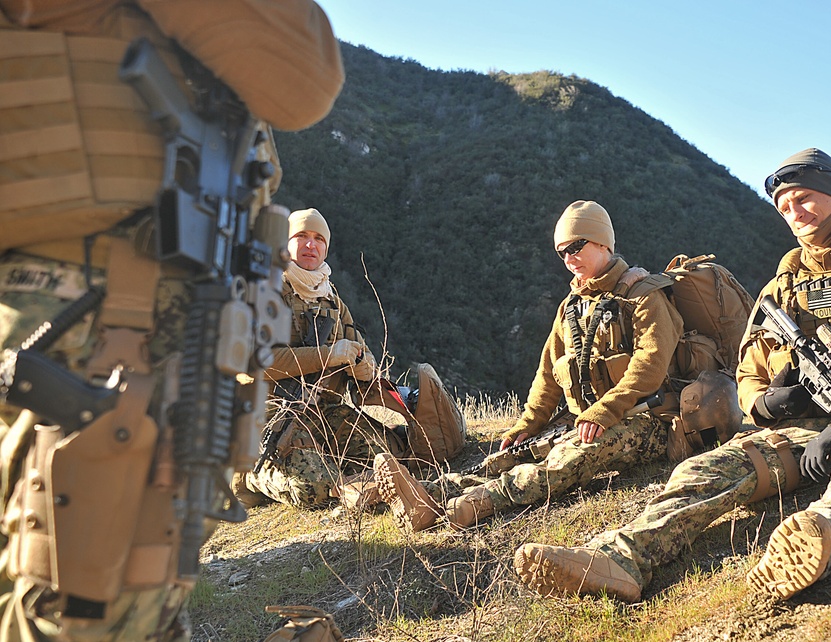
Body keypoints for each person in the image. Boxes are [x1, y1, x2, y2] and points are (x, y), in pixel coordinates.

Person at [0, 1, 342, 640]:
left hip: (82, 286)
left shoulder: (331, 297)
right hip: (112, 293)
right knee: (93, 598)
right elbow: (302, 73)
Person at [512, 148, 831, 602]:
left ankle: (817, 538)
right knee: (704, 471)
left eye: (805, 198)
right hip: (802, 432)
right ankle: (620, 557)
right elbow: (749, 372)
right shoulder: (783, 286)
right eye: (785, 207)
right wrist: (767, 402)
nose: (795, 213)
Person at [374, 200, 740, 533]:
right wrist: (528, 423)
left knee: (571, 459)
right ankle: (424, 494)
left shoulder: (644, 296)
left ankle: (476, 505)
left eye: (576, 247)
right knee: (511, 454)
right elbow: (548, 373)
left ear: (603, 244)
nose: (568, 258)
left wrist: (604, 412)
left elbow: (651, 365)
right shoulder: (571, 307)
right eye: (562, 252)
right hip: (587, 417)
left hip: (652, 418)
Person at [232, 207, 406, 510]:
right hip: (272, 412)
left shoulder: (331, 300)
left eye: (318, 239)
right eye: (301, 236)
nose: (310, 244)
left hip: (325, 407)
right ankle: (247, 475)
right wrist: (327, 356)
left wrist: (364, 367)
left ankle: (323, 458)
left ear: (326, 247)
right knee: (317, 490)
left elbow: (359, 351)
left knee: (392, 453)